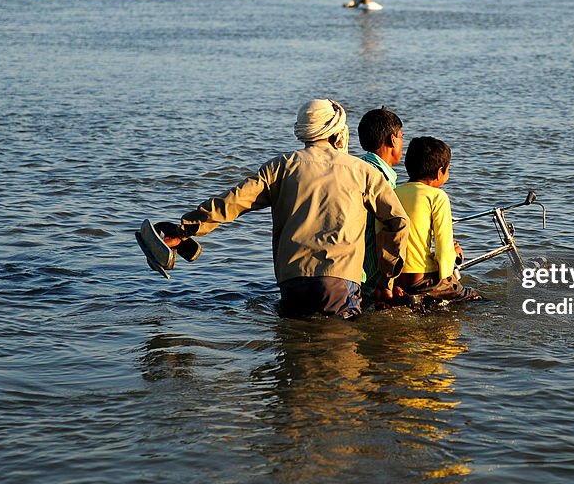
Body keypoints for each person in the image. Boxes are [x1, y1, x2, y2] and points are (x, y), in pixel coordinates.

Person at [161, 99, 409, 319]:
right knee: (341, 357)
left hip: (293, 281)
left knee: (294, 356)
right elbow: (397, 221)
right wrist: (386, 278)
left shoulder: (280, 167)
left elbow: (231, 203)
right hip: (340, 281)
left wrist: (185, 230)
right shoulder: (362, 171)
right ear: (338, 134)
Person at [389, 136, 483, 307]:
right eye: (448, 170)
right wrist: (452, 258)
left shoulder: (393, 193)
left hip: (395, 280)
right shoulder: (437, 197)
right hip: (421, 281)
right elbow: (443, 251)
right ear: (440, 172)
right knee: (476, 299)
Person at [357, 107, 404, 293]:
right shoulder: (379, 178)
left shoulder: (355, 168)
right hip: (367, 277)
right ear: (392, 140)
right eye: (402, 136)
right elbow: (391, 228)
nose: (402, 142)